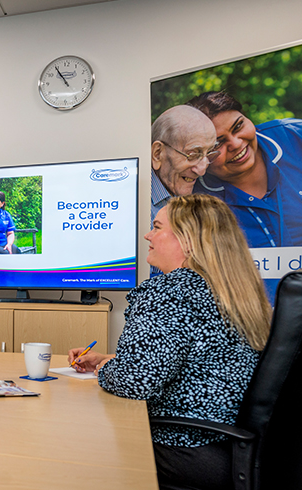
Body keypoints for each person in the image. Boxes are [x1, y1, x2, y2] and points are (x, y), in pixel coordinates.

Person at [69, 194, 272, 490]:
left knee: (75, 444)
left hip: (182, 447)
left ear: (188, 240)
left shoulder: (170, 292)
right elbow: (196, 362)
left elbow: (136, 382)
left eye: (157, 227)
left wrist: (105, 370)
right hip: (228, 448)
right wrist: (111, 360)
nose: (147, 235)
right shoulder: (231, 292)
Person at [189, 91, 302, 248]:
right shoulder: (192, 199)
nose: (236, 144)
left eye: (238, 126)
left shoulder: (294, 135)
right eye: (217, 143)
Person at [149, 105, 218, 222]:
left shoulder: (196, 198)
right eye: (193, 155)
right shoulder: (133, 205)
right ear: (158, 153)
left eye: (209, 153)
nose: (202, 170)